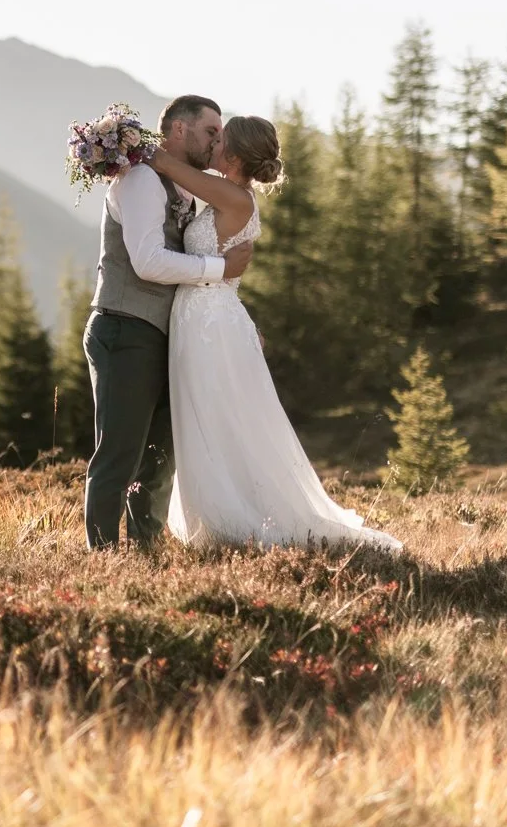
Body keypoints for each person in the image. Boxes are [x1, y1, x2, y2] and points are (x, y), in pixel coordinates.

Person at [148, 115, 402, 552]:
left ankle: (233, 520)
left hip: (210, 325)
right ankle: (218, 517)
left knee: (217, 417)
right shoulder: (229, 194)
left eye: (218, 138)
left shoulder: (235, 197)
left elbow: (169, 167)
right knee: (209, 416)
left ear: (234, 154)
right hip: (208, 318)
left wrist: (121, 141)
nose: (212, 145)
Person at [82, 94, 251, 548]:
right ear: (179, 129)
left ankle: (146, 550)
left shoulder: (182, 183)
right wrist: (221, 271)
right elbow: (148, 263)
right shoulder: (140, 180)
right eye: (211, 131)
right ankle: (101, 554)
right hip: (125, 326)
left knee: (159, 458)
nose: (218, 140)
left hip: (166, 336)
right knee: (120, 453)